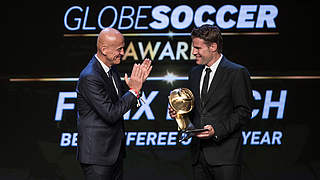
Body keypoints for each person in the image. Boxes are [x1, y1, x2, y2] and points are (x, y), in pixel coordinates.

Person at [169, 24, 253, 180]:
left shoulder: (236, 72)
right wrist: (180, 114)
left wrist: (216, 130)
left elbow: (243, 112)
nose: (194, 52)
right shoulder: (194, 73)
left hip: (225, 157)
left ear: (213, 46)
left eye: (198, 48)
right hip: (199, 156)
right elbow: (196, 111)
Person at [76, 28, 152, 180]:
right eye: (119, 49)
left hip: (113, 153)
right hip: (97, 156)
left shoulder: (111, 70)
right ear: (104, 49)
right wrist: (134, 91)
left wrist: (134, 88)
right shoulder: (90, 76)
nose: (123, 52)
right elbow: (110, 114)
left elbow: (121, 103)